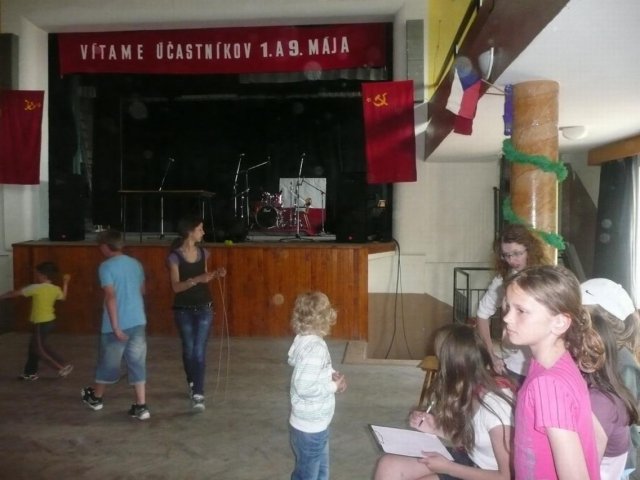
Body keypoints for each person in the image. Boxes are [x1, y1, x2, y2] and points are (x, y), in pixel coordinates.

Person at [374, 324, 514, 480]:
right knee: (388, 465)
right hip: (471, 460)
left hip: (488, 474)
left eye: (440, 359)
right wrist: (436, 428)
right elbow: (475, 439)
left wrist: (449, 468)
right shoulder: (470, 387)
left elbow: (507, 476)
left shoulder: (497, 407)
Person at [503, 265, 603, 479]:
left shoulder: (548, 384)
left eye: (521, 311)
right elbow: (598, 436)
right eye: (508, 307)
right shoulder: (558, 364)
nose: (507, 318)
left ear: (559, 322)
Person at [81, 229, 150, 420]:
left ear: (105, 247)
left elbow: (110, 296)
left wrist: (116, 327)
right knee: (137, 363)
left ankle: (96, 398)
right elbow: (142, 290)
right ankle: (141, 405)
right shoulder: (136, 264)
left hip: (116, 323)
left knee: (108, 362)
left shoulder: (106, 267)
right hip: (138, 319)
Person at [475, 224, 551, 381]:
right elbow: (482, 314)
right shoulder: (502, 280)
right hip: (515, 366)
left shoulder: (548, 278)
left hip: (546, 363)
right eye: (506, 255)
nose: (511, 260)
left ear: (530, 250)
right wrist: (490, 354)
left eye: (517, 253)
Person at [581, 278, 640, 478]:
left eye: (581, 318)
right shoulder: (599, 354)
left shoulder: (623, 363)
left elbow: (626, 416)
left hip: (619, 461)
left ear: (602, 322)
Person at [167, 215, 226, 411]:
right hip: (183, 309)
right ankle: (192, 382)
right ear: (190, 231)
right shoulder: (174, 257)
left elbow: (204, 277)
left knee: (198, 351)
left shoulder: (203, 253)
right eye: (200, 229)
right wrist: (196, 279)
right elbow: (176, 287)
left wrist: (215, 274)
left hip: (204, 307)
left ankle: (198, 393)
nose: (203, 232)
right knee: (189, 349)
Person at [288, 291, 347, 480]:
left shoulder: (303, 339)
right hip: (311, 428)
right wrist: (333, 387)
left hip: (314, 424)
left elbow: (303, 364)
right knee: (308, 475)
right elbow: (303, 387)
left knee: (321, 471)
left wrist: (331, 373)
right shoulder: (316, 348)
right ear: (325, 318)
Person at [0, 261, 73, 380]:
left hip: (41, 322)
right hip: (49, 322)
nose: (36, 276)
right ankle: (30, 373)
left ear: (43, 275)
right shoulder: (55, 289)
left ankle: (62, 366)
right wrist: (65, 283)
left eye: (37, 274)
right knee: (34, 347)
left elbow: (15, 293)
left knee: (39, 348)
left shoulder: (36, 288)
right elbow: (63, 297)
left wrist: (1, 296)